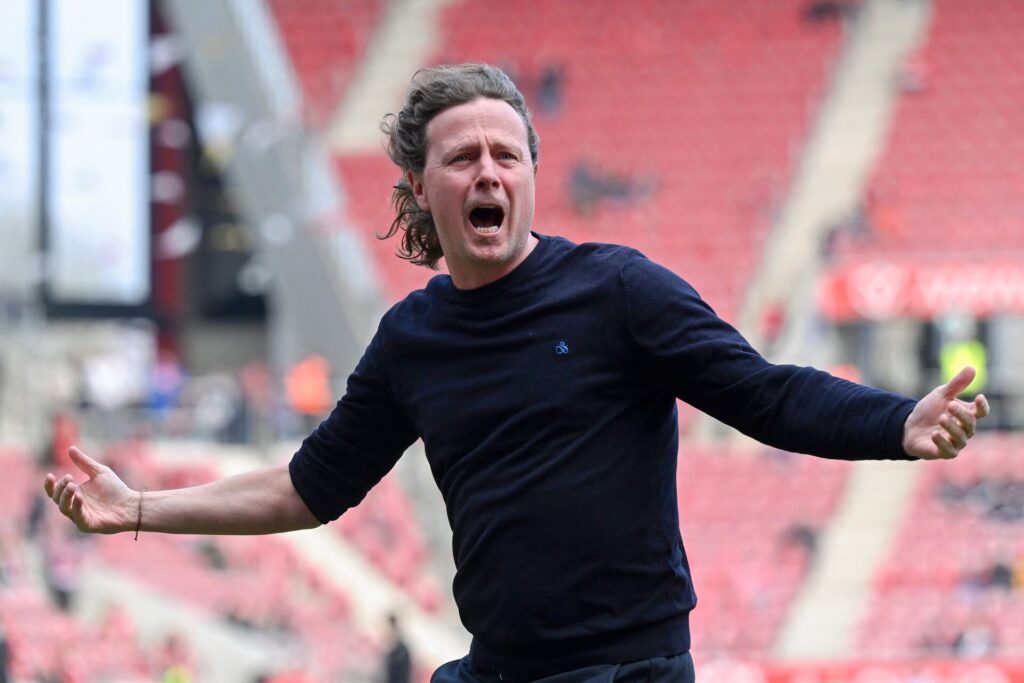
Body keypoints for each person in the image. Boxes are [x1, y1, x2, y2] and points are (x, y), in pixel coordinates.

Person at [44, 64, 990, 682]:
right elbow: (308, 486)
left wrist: (894, 423)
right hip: (499, 667)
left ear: (532, 174)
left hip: (632, 670)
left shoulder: (619, 289)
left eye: (507, 153)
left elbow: (765, 392)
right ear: (423, 191)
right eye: (463, 157)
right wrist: (138, 509)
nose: (489, 170)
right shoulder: (411, 340)